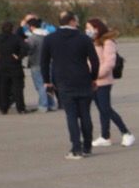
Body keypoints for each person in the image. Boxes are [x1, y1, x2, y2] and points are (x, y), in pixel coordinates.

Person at [40, 11, 99, 159]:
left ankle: (76, 148)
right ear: (72, 21)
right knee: (85, 114)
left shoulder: (50, 39)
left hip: (63, 81)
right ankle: (87, 146)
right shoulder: (84, 39)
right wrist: (93, 77)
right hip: (83, 80)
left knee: (71, 115)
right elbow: (95, 61)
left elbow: (44, 62)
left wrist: (47, 81)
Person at [87, 18, 134, 148]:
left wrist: (95, 74)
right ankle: (105, 136)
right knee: (102, 110)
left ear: (97, 28)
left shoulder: (107, 42)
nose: (87, 31)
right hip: (93, 81)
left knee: (106, 109)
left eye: (89, 28)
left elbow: (109, 63)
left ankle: (126, 132)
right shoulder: (92, 42)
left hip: (103, 81)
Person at [0, 16, 27, 114]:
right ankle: (21, 108)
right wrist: (19, 56)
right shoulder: (16, 38)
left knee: (3, 87)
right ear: (12, 29)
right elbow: (25, 48)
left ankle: (3, 108)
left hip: (2, 64)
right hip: (15, 65)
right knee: (17, 87)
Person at [20, 16, 49, 112]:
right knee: (48, 83)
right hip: (48, 63)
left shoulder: (32, 38)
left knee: (39, 85)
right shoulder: (47, 36)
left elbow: (29, 50)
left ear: (31, 27)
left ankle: (43, 105)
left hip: (36, 62)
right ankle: (51, 104)